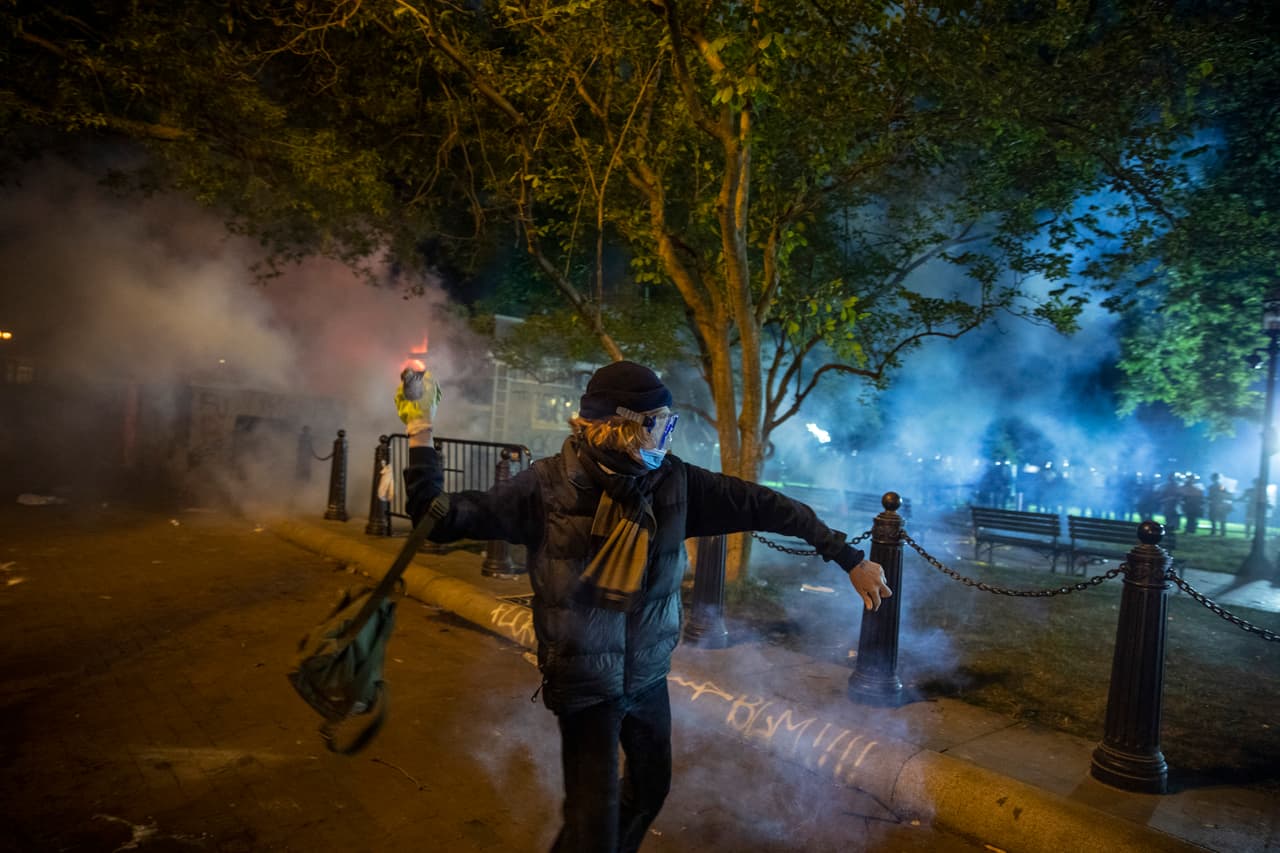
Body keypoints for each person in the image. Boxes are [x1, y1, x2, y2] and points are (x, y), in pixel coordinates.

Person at [401, 360, 892, 853]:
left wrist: (849, 558)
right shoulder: (545, 488)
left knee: (650, 790)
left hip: (648, 677)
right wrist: (420, 428)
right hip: (586, 684)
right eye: (659, 423)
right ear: (621, 426)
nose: (668, 436)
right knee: (592, 824)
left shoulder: (674, 483)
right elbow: (437, 519)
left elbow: (770, 505)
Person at [395, 357, 442, 450]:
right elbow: (437, 395)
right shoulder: (429, 383)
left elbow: (399, 400)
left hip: (415, 432)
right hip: (424, 432)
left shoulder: (402, 390)